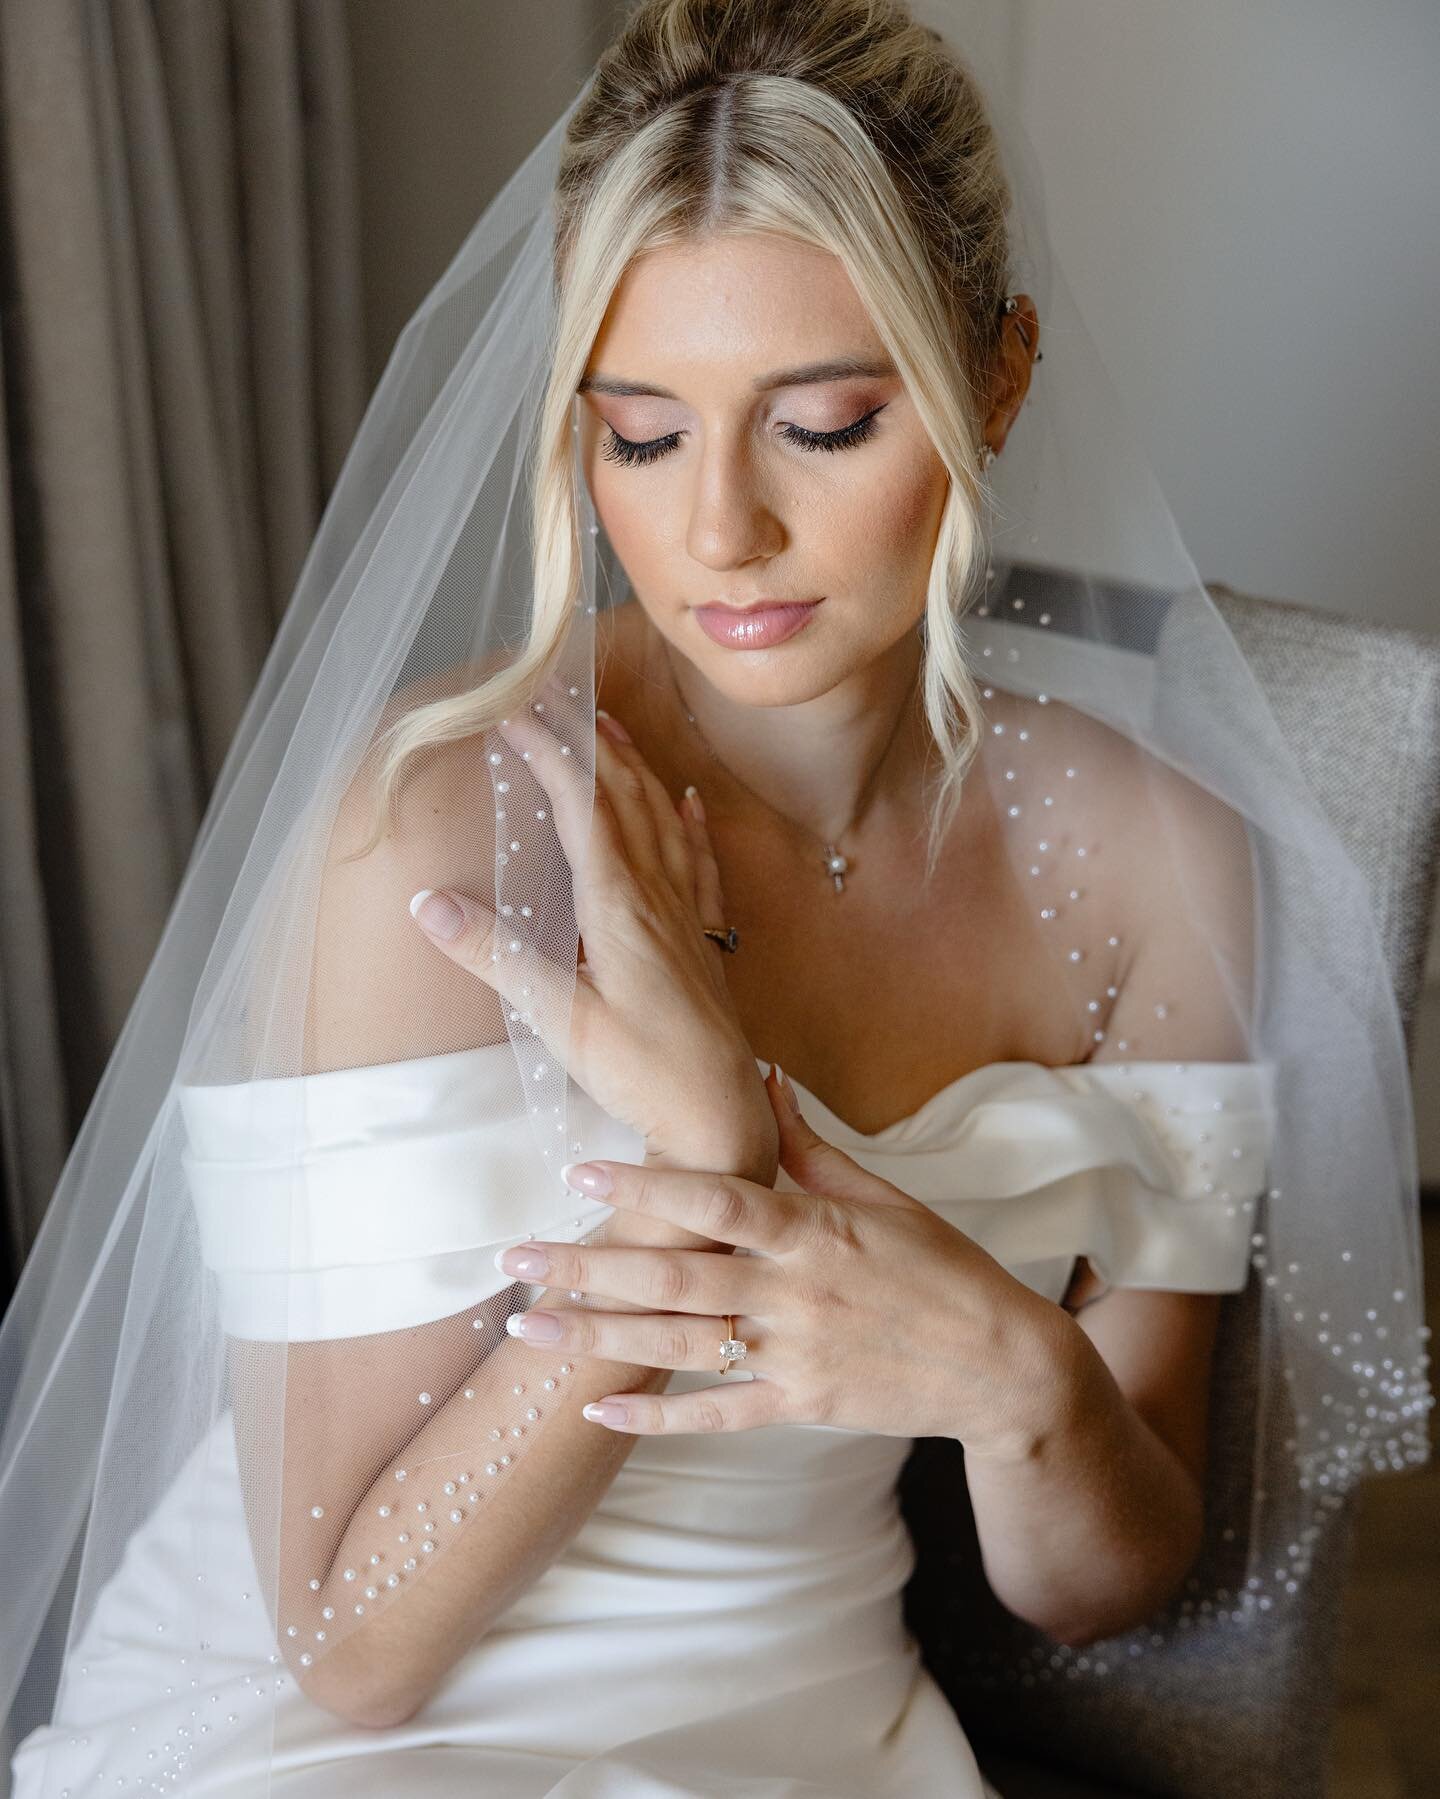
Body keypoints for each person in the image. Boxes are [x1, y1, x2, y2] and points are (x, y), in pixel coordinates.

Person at [2, 2, 1427, 1795]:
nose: (718, 534)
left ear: (996, 380)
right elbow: (352, 1650)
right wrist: (701, 1178)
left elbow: (1102, 1585)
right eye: (641, 434)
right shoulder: (442, 840)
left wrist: (1021, 1383)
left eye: (822, 425)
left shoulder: (1154, 864)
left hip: (818, 1727)